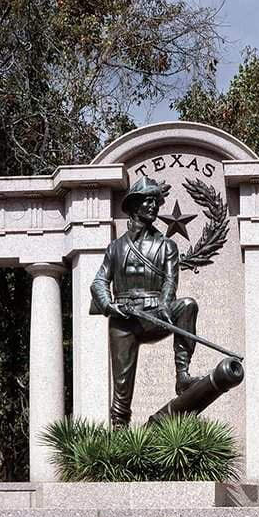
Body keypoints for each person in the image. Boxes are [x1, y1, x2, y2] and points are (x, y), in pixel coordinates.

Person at [90, 176, 199, 427]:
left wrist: (163, 305)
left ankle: (182, 375)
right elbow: (98, 281)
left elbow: (171, 282)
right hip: (124, 318)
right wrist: (109, 305)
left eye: (156, 201)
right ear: (135, 205)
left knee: (188, 305)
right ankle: (119, 432)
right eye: (147, 201)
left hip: (154, 315)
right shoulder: (115, 247)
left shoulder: (167, 245)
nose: (153, 206)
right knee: (121, 387)